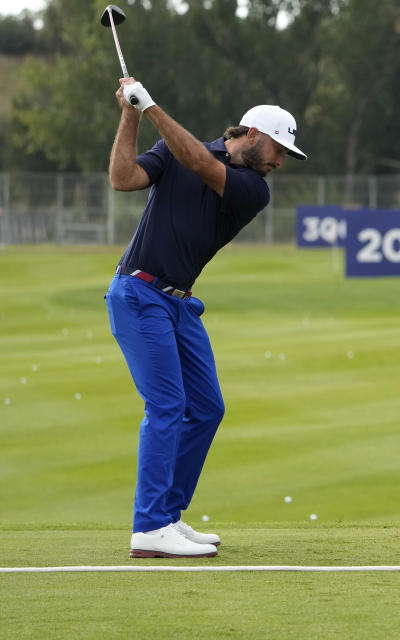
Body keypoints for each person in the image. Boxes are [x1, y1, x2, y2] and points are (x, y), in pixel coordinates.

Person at [105, 77, 307, 558]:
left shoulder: (252, 189)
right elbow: (123, 178)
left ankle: (168, 516)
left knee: (208, 407)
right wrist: (131, 113)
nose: (281, 161)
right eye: (279, 149)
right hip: (139, 292)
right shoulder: (175, 148)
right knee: (168, 406)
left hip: (178, 303)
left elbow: (197, 161)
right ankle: (150, 527)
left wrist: (151, 104)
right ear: (253, 134)